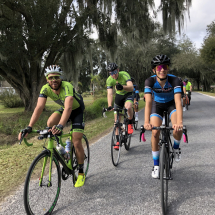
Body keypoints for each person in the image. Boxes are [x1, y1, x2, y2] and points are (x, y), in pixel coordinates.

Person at [18, 65, 86, 187]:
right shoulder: (45, 88)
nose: (54, 80)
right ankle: (62, 148)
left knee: (76, 141)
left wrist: (60, 125)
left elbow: (69, 107)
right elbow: (39, 107)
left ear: (60, 78)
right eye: (51, 78)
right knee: (50, 123)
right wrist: (29, 126)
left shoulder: (67, 86)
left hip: (76, 110)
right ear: (47, 79)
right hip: (65, 109)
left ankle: (81, 173)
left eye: (56, 77)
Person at [144, 55, 183, 179]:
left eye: (165, 66)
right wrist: (146, 122)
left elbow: (178, 102)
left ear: (168, 68)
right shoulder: (149, 81)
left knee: (177, 128)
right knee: (155, 132)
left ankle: (176, 148)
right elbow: (149, 102)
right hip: (158, 105)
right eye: (159, 67)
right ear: (154, 70)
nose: (162, 69)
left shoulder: (175, 80)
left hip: (172, 104)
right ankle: (156, 165)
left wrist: (180, 122)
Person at [106, 63, 134, 150]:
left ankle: (130, 123)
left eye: (114, 72)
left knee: (128, 107)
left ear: (118, 70)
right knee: (116, 121)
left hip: (128, 94)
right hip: (119, 96)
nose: (113, 75)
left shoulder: (124, 74)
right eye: (111, 73)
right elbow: (110, 93)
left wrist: (123, 87)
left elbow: (131, 87)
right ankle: (118, 141)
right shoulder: (109, 80)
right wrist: (110, 105)